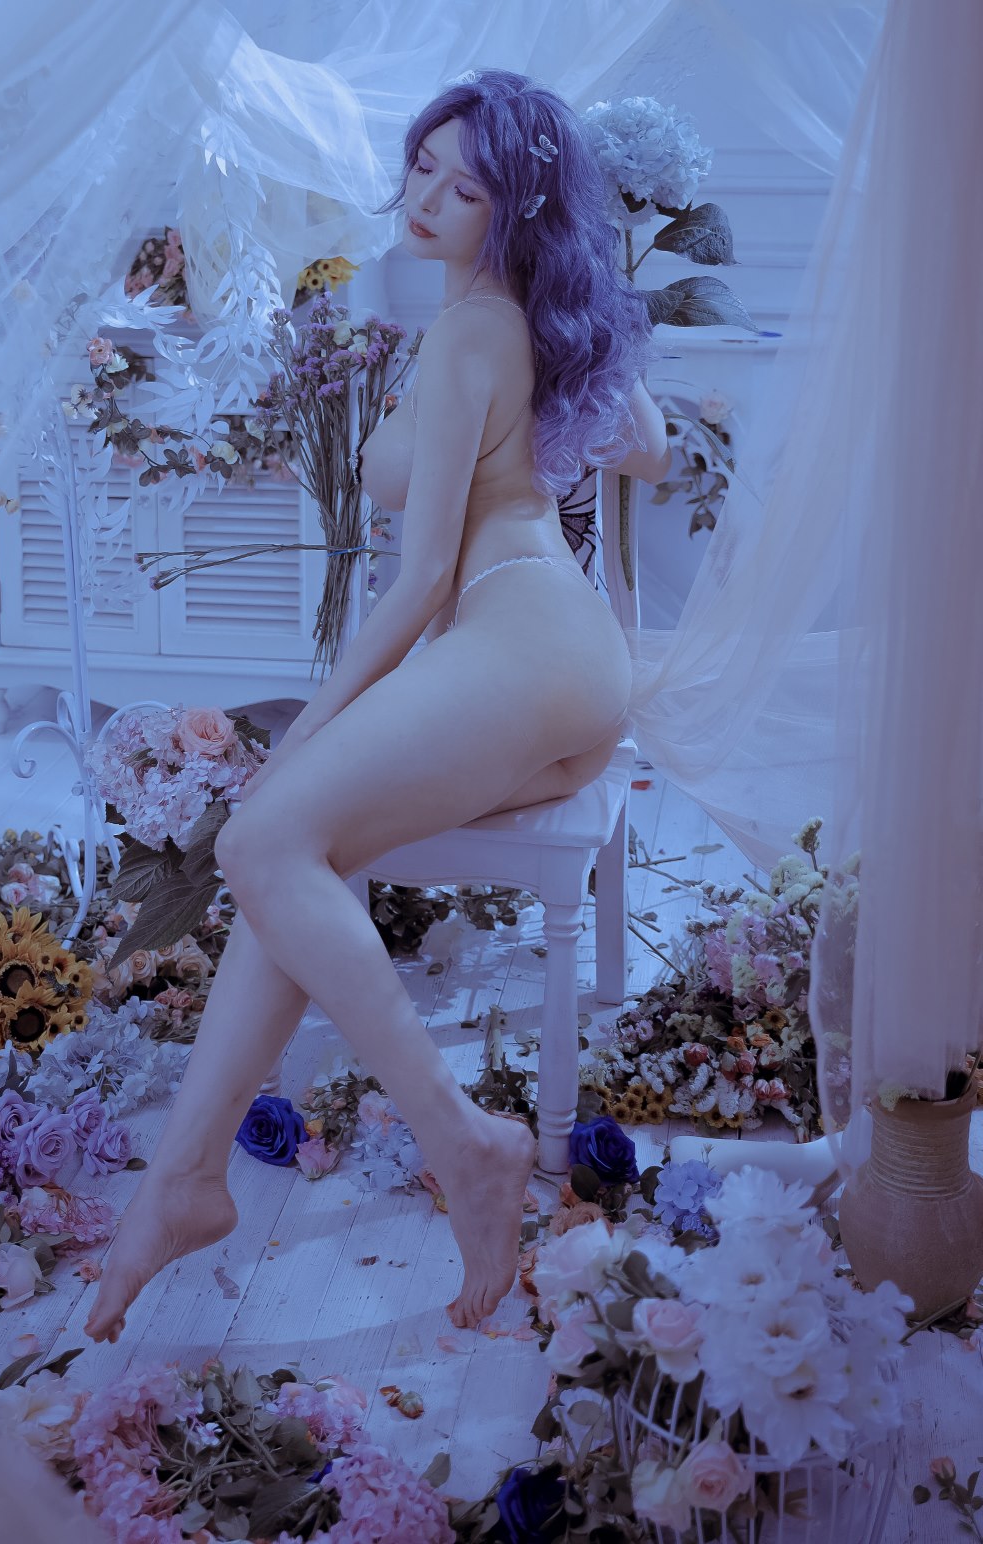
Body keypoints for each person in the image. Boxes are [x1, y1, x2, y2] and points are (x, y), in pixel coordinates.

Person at [83, 69, 671, 1346]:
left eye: (469, 186)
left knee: (261, 834)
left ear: (516, 209)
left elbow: (418, 586)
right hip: (556, 663)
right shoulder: (510, 321)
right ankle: (184, 1179)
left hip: (515, 637)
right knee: (291, 856)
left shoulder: (474, 332)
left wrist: (305, 733)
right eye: (422, 167)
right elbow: (652, 444)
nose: (428, 198)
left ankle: (462, 1141)